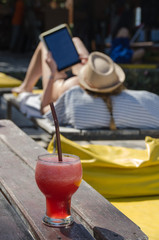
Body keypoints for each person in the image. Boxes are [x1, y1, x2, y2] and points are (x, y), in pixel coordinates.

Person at [12, 37, 159, 130]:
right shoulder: (146, 99)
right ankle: (86, 62)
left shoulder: (73, 98)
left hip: (66, 87)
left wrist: (52, 74)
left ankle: (26, 86)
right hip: (92, 85)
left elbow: (45, 108)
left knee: (46, 45)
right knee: (75, 41)